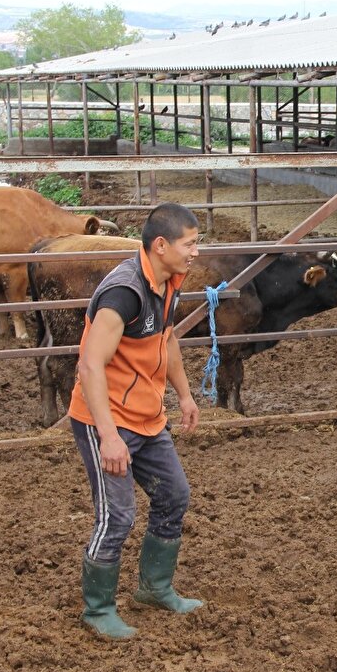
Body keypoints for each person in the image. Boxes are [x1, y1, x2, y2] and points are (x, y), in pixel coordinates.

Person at [69, 202, 205, 640]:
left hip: (148, 417)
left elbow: (167, 339)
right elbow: (90, 366)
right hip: (104, 419)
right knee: (118, 515)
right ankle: (98, 608)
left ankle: (155, 588)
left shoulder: (168, 281)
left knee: (174, 496)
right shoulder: (123, 293)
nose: (195, 253)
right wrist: (109, 437)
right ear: (161, 245)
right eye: (190, 244)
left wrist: (183, 395)